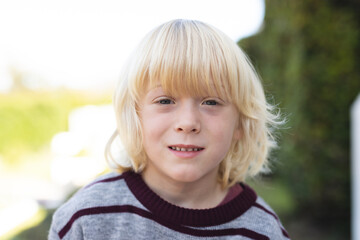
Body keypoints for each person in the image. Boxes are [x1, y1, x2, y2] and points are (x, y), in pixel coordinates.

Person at [49, 19, 290, 240]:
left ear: (240, 122)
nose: (187, 122)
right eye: (165, 101)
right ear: (135, 116)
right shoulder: (86, 217)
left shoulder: (263, 231)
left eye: (211, 102)